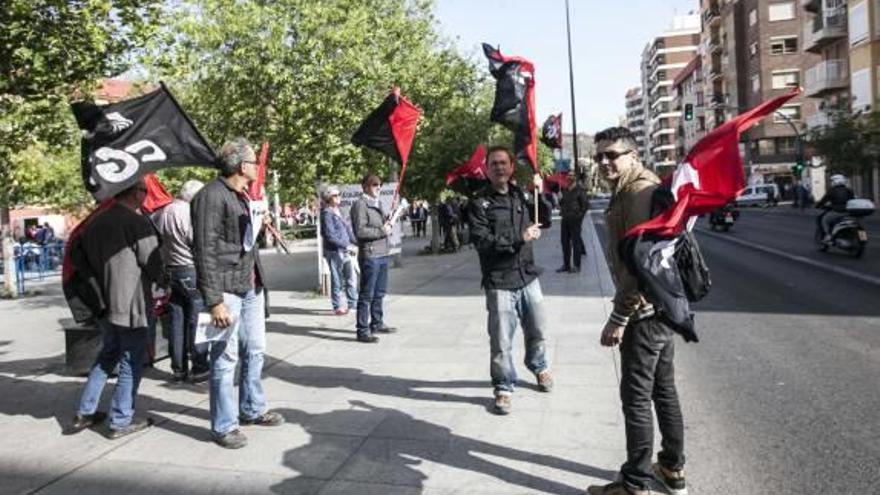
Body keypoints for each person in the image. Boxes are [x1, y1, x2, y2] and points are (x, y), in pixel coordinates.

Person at [587, 127, 687, 495]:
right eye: (599, 156)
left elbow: (637, 264)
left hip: (643, 311)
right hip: (658, 308)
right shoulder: (634, 187)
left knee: (636, 398)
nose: (604, 162)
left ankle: (635, 484)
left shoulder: (636, 191)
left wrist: (618, 317)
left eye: (612, 154)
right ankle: (672, 469)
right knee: (663, 390)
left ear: (634, 155)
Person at [192, 137, 284, 449]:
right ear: (242, 166)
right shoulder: (210, 196)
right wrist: (214, 301)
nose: (257, 167)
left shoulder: (244, 196)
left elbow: (242, 242)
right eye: (254, 162)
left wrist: (260, 224)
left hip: (251, 285)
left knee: (255, 350)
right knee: (225, 358)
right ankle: (224, 425)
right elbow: (204, 251)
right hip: (227, 290)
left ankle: (252, 408)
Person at [68, 178, 165, 439]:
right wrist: (166, 281)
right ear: (134, 193)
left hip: (102, 304)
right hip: (130, 305)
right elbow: (153, 263)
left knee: (107, 355)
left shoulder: (95, 222)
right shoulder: (135, 222)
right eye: (144, 192)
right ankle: (120, 421)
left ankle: (85, 412)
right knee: (130, 362)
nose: (146, 196)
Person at [467, 145, 553, 416]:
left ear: (512, 167)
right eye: (494, 164)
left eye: (504, 163)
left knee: (538, 328)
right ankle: (503, 387)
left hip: (528, 275)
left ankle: (538, 367)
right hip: (499, 280)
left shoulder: (522, 195)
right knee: (501, 339)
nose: (499, 168)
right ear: (487, 168)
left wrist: (542, 192)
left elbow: (546, 219)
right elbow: (482, 242)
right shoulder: (479, 202)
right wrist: (520, 238)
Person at [154, 179, 209, 383]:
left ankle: (178, 369)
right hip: (189, 269)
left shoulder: (163, 212)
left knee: (177, 320)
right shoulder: (186, 212)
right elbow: (195, 240)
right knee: (198, 318)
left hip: (171, 270)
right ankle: (200, 366)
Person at [350, 173, 395, 343]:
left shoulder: (377, 204)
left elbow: (381, 226)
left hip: (382, 253)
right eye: (374, 185)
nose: (378, 188)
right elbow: (360, 231)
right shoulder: (360, 205)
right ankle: (362, 330)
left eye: (379, 185)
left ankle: (377, 322)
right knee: (367, 293)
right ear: (365, 187)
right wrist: (382, 231)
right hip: (370, 254)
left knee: (380, 292)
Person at [320, 186, 358, 315]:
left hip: (346, 250)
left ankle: (352, 304)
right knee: (337, 280)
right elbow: (330, 235)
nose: (338, 197)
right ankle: (337, 306)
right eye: (335, 195)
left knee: (351, 277)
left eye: (339, 194)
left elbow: (347, 230)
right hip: (335, 251)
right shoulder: (326, 214)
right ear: (328, 198)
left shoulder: (338, 211)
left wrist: (357, 242)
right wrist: (345, 245)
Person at [557, 177, 589, 273]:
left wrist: (579, 217)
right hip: (565, 219)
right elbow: (562, 204)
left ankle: (576, 266)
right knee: (565, 243)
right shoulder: (565, 190)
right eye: (567, 179)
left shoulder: (580, 191)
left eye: (570, 179)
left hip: (575, 220)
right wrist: (559, 198)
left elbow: (585, 206)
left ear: (574, 180)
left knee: (576, 243)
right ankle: (566, 265)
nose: (567, 181)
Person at [816, 174, 855, 242]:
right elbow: (852, 199)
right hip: (848, 212)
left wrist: (818, 205)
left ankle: (828, 235)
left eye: (832, 181)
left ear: (835, 181)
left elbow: (824, 200)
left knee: (824, 220)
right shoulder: (849, 190)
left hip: (837, 211)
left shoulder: (832, 190)